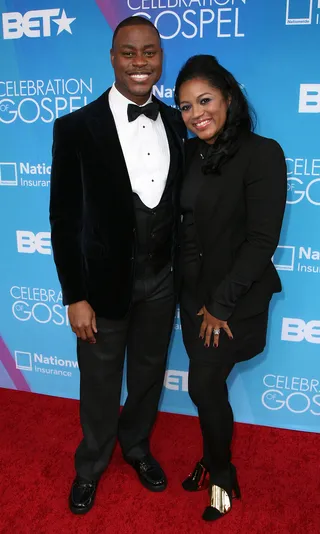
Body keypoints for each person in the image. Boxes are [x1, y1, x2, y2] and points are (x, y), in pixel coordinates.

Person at [49, 16, 186, 514]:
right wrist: (74, 295)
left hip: (161, 281)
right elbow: (64, 219)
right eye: (129, 52)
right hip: (101, 288)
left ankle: (137, 447)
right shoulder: (75, 127)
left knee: (149, 374)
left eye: (149, 52)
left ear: (160, 58)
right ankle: (90, 467)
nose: (140, 62)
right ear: (112, 57)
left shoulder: (175, 120)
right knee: (100, 383)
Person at [174, 55, 287, 522]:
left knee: (203, 384)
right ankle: (212, 455)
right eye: (184, 106)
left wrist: (220, 305)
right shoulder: (189, 153)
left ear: (229, 98)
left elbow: (262, 240)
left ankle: (222, 473)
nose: (196, 113)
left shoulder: (263, 153)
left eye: (205, 100)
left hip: (232, 301)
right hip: (192, 296)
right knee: (207, 390)